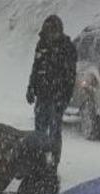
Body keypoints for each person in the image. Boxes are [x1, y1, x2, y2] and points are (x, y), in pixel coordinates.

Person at [26, 15, 77, 169]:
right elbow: (36, 68)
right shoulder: (41, 45)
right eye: (48, 32)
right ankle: (38, 160)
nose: (50, 35)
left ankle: (53, 162)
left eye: (53, 31)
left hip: (57, 96)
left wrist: (65, 98)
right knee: (39, 131)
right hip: (42, 95)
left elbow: (70, 77)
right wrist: (31, 87)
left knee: (54, 132)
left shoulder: (67, 48)